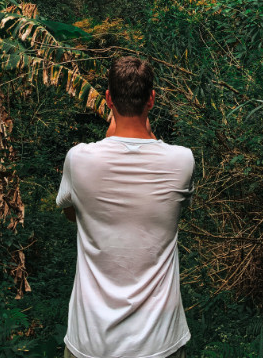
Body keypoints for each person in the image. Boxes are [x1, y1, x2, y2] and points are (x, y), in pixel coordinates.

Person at [55, 56, 195, 358]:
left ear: (108, 99)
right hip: (160, 342)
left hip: (90, 342)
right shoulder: (181, 161)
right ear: (152, 99)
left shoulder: (79, 160)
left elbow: (71, 213)